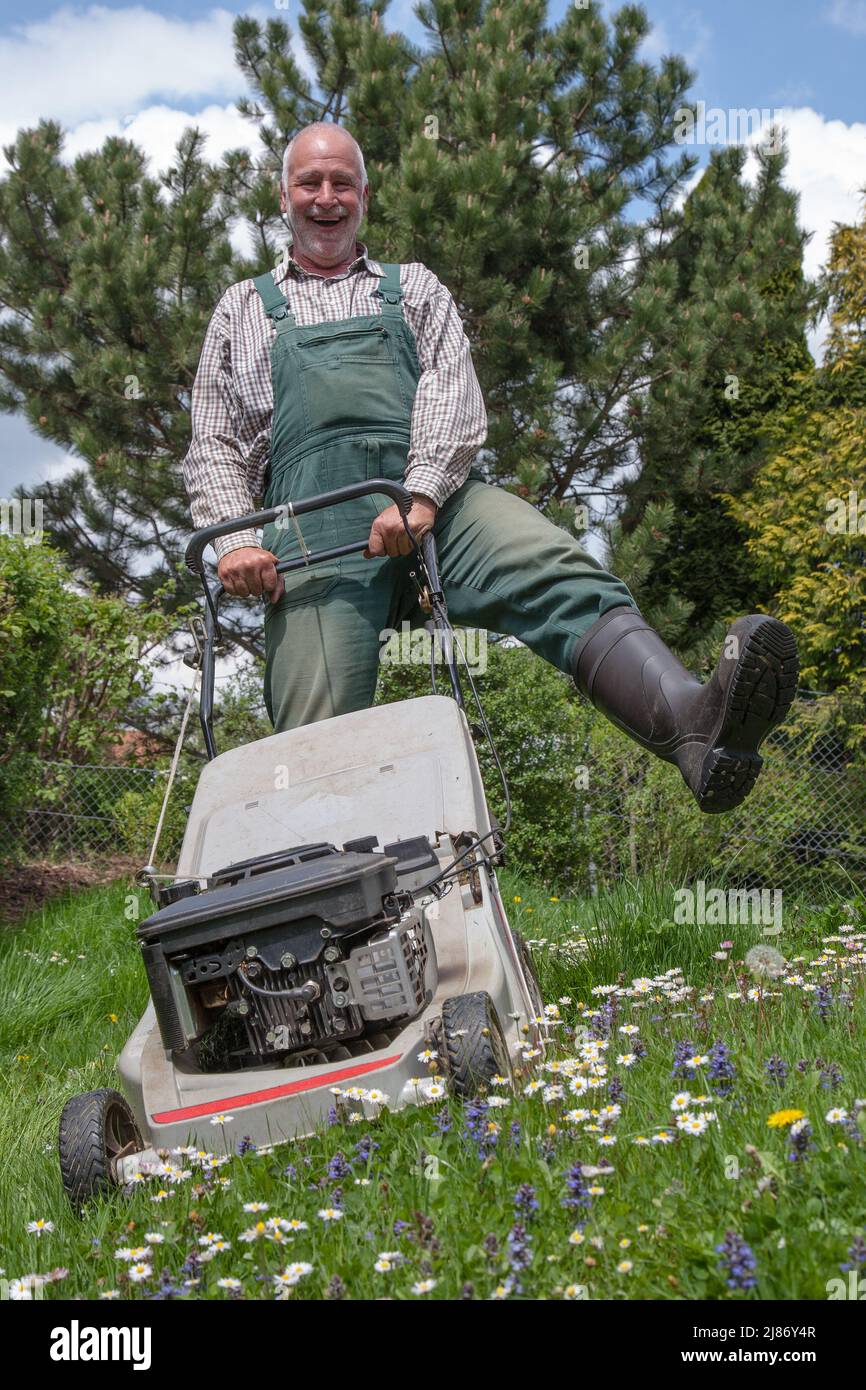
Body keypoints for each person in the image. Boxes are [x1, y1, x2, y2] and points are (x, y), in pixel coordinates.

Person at [182, 121, 798, 814]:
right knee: (315, 727)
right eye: (310, 183)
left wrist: (420, 497)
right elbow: (214, 441)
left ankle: (692, 726)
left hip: (433, 502)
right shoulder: (242, 308)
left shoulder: (412, 289)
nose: (326, 198)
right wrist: (237, 541)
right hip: (313, 531)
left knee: (549, 565)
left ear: (365, 195)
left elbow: (451, 390)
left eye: (342, 183)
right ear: (284, 195)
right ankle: (319, 881)